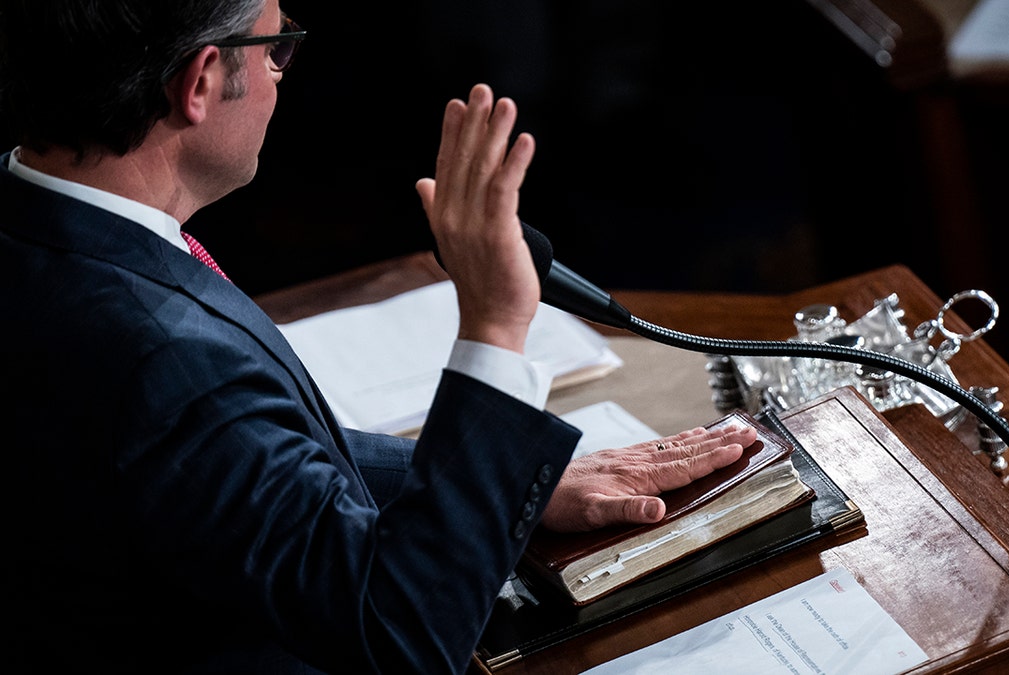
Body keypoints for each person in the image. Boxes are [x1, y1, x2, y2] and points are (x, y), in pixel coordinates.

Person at [0, 1, 758, 673]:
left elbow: (222, 466)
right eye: (276, 46)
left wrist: (505, 490)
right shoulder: (168, 356)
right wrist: (495, 321)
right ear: (199, 81)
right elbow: (403, 633)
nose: (280, 72)